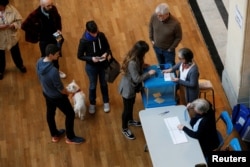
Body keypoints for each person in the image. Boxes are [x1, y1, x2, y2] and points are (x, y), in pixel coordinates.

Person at [36, 44, 85, 144]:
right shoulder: (53, 71)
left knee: (50, 114)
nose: (59, 55)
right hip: (57, 97)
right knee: (70, 114)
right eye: (57, 54)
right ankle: (70, 137)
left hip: (46, 93)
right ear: (50, 55)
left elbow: (39, 77)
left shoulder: (39, 62)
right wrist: (68, 93)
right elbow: (60, 89)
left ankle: (54, 135)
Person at [119, 40, 156, 140]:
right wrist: (149, 74)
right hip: (128, 89)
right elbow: (137, 79)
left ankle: (130, 120)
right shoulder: (132, 62)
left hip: (132, 88)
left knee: (131, 105)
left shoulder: (135, 58)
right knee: (126, 110)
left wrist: (143, 66)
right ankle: (124, 128)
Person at [21, 0, 66, 79]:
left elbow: (58, 18)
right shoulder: (34, 15)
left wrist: (59, 29)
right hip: (44, 39)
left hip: (55, 34)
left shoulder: (53, 9)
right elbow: (24, 26)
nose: (51, 7)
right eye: (48, 6)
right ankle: (46, 72)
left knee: (57, 52)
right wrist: (36, 33)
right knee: (45, 56)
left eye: (51, 5)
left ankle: (56, 70)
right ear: (42, 5)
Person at [77, 20, 111, 114]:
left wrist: (106, 54)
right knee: (92, 86)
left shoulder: (101, 35)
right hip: (92, 66)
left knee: (104, 84)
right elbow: (79, 56)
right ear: (88, 31)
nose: (95, 35)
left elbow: (108, 48)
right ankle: (92, 103)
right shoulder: (83, 41)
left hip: (103, 64)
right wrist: (91, 58)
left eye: (96, 32)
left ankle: (106, 101)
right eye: (93, 33)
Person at [0, 0, 26, 80]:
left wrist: (13, 25)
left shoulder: (12, 9)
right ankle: (0, 70)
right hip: (0, 39)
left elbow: (20, 21)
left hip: (12, 37)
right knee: (0, 56)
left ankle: (20, 65)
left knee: (16, 53)